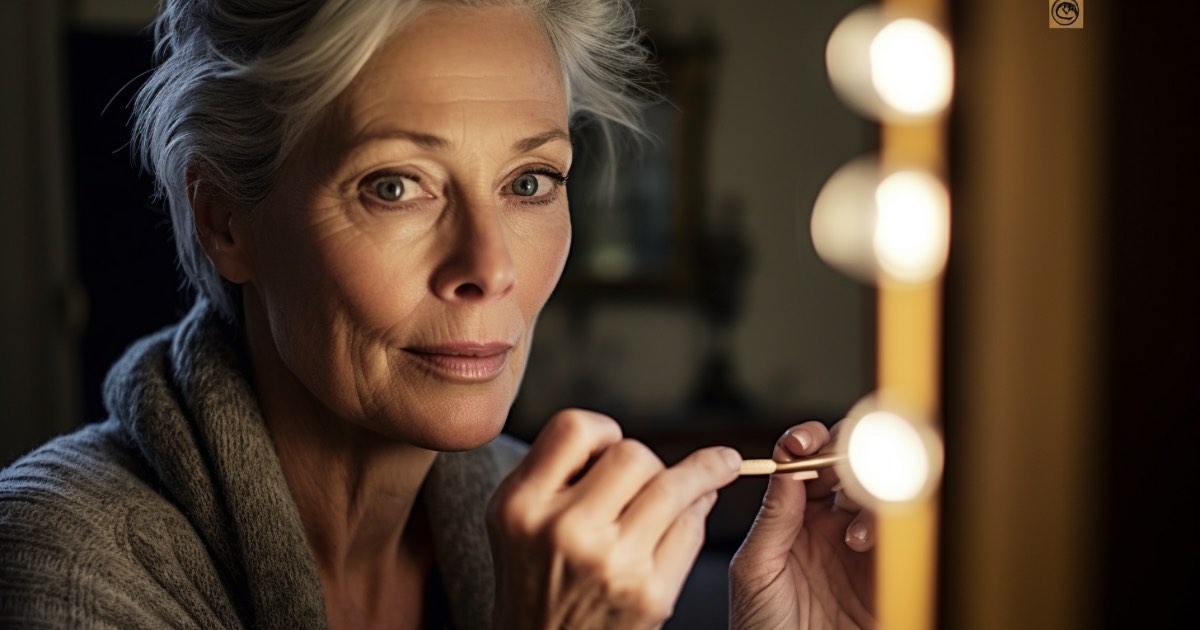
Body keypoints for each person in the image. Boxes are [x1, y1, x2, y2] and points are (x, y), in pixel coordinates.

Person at [0, 0, 874, 627]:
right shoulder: (62, 564)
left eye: (530, 182)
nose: (489, 269)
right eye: (396, 187)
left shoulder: (538, 526)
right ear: (226, 219)